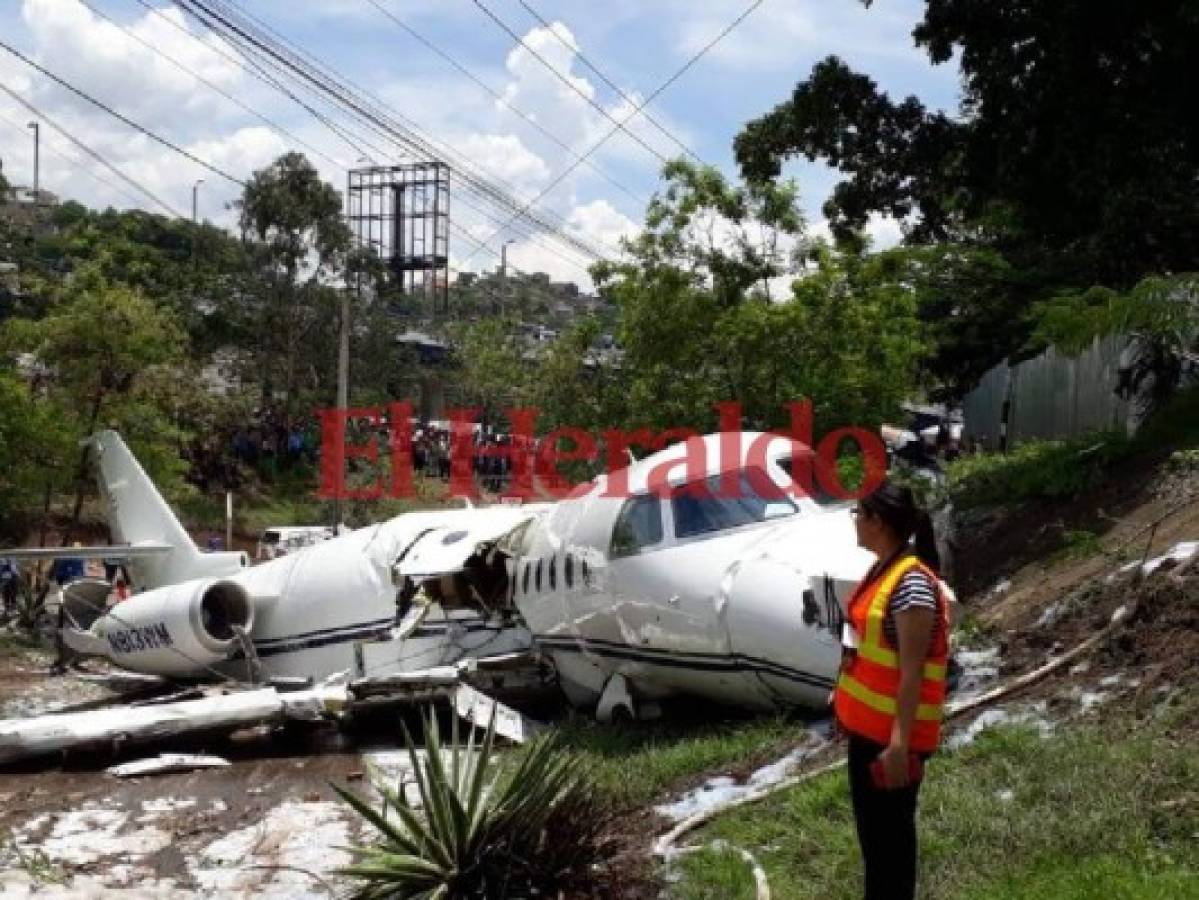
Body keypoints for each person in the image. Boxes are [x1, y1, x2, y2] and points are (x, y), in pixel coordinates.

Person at [834, 481, 950, 900]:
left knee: (891, 849)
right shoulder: (884, 569)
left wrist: (900, 746)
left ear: (877, 522)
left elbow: (912, 673)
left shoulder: (912, 586)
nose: (854, 523)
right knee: (876, 844)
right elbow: (868, 650)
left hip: (891, 741)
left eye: (858, 515)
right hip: (870, 733)